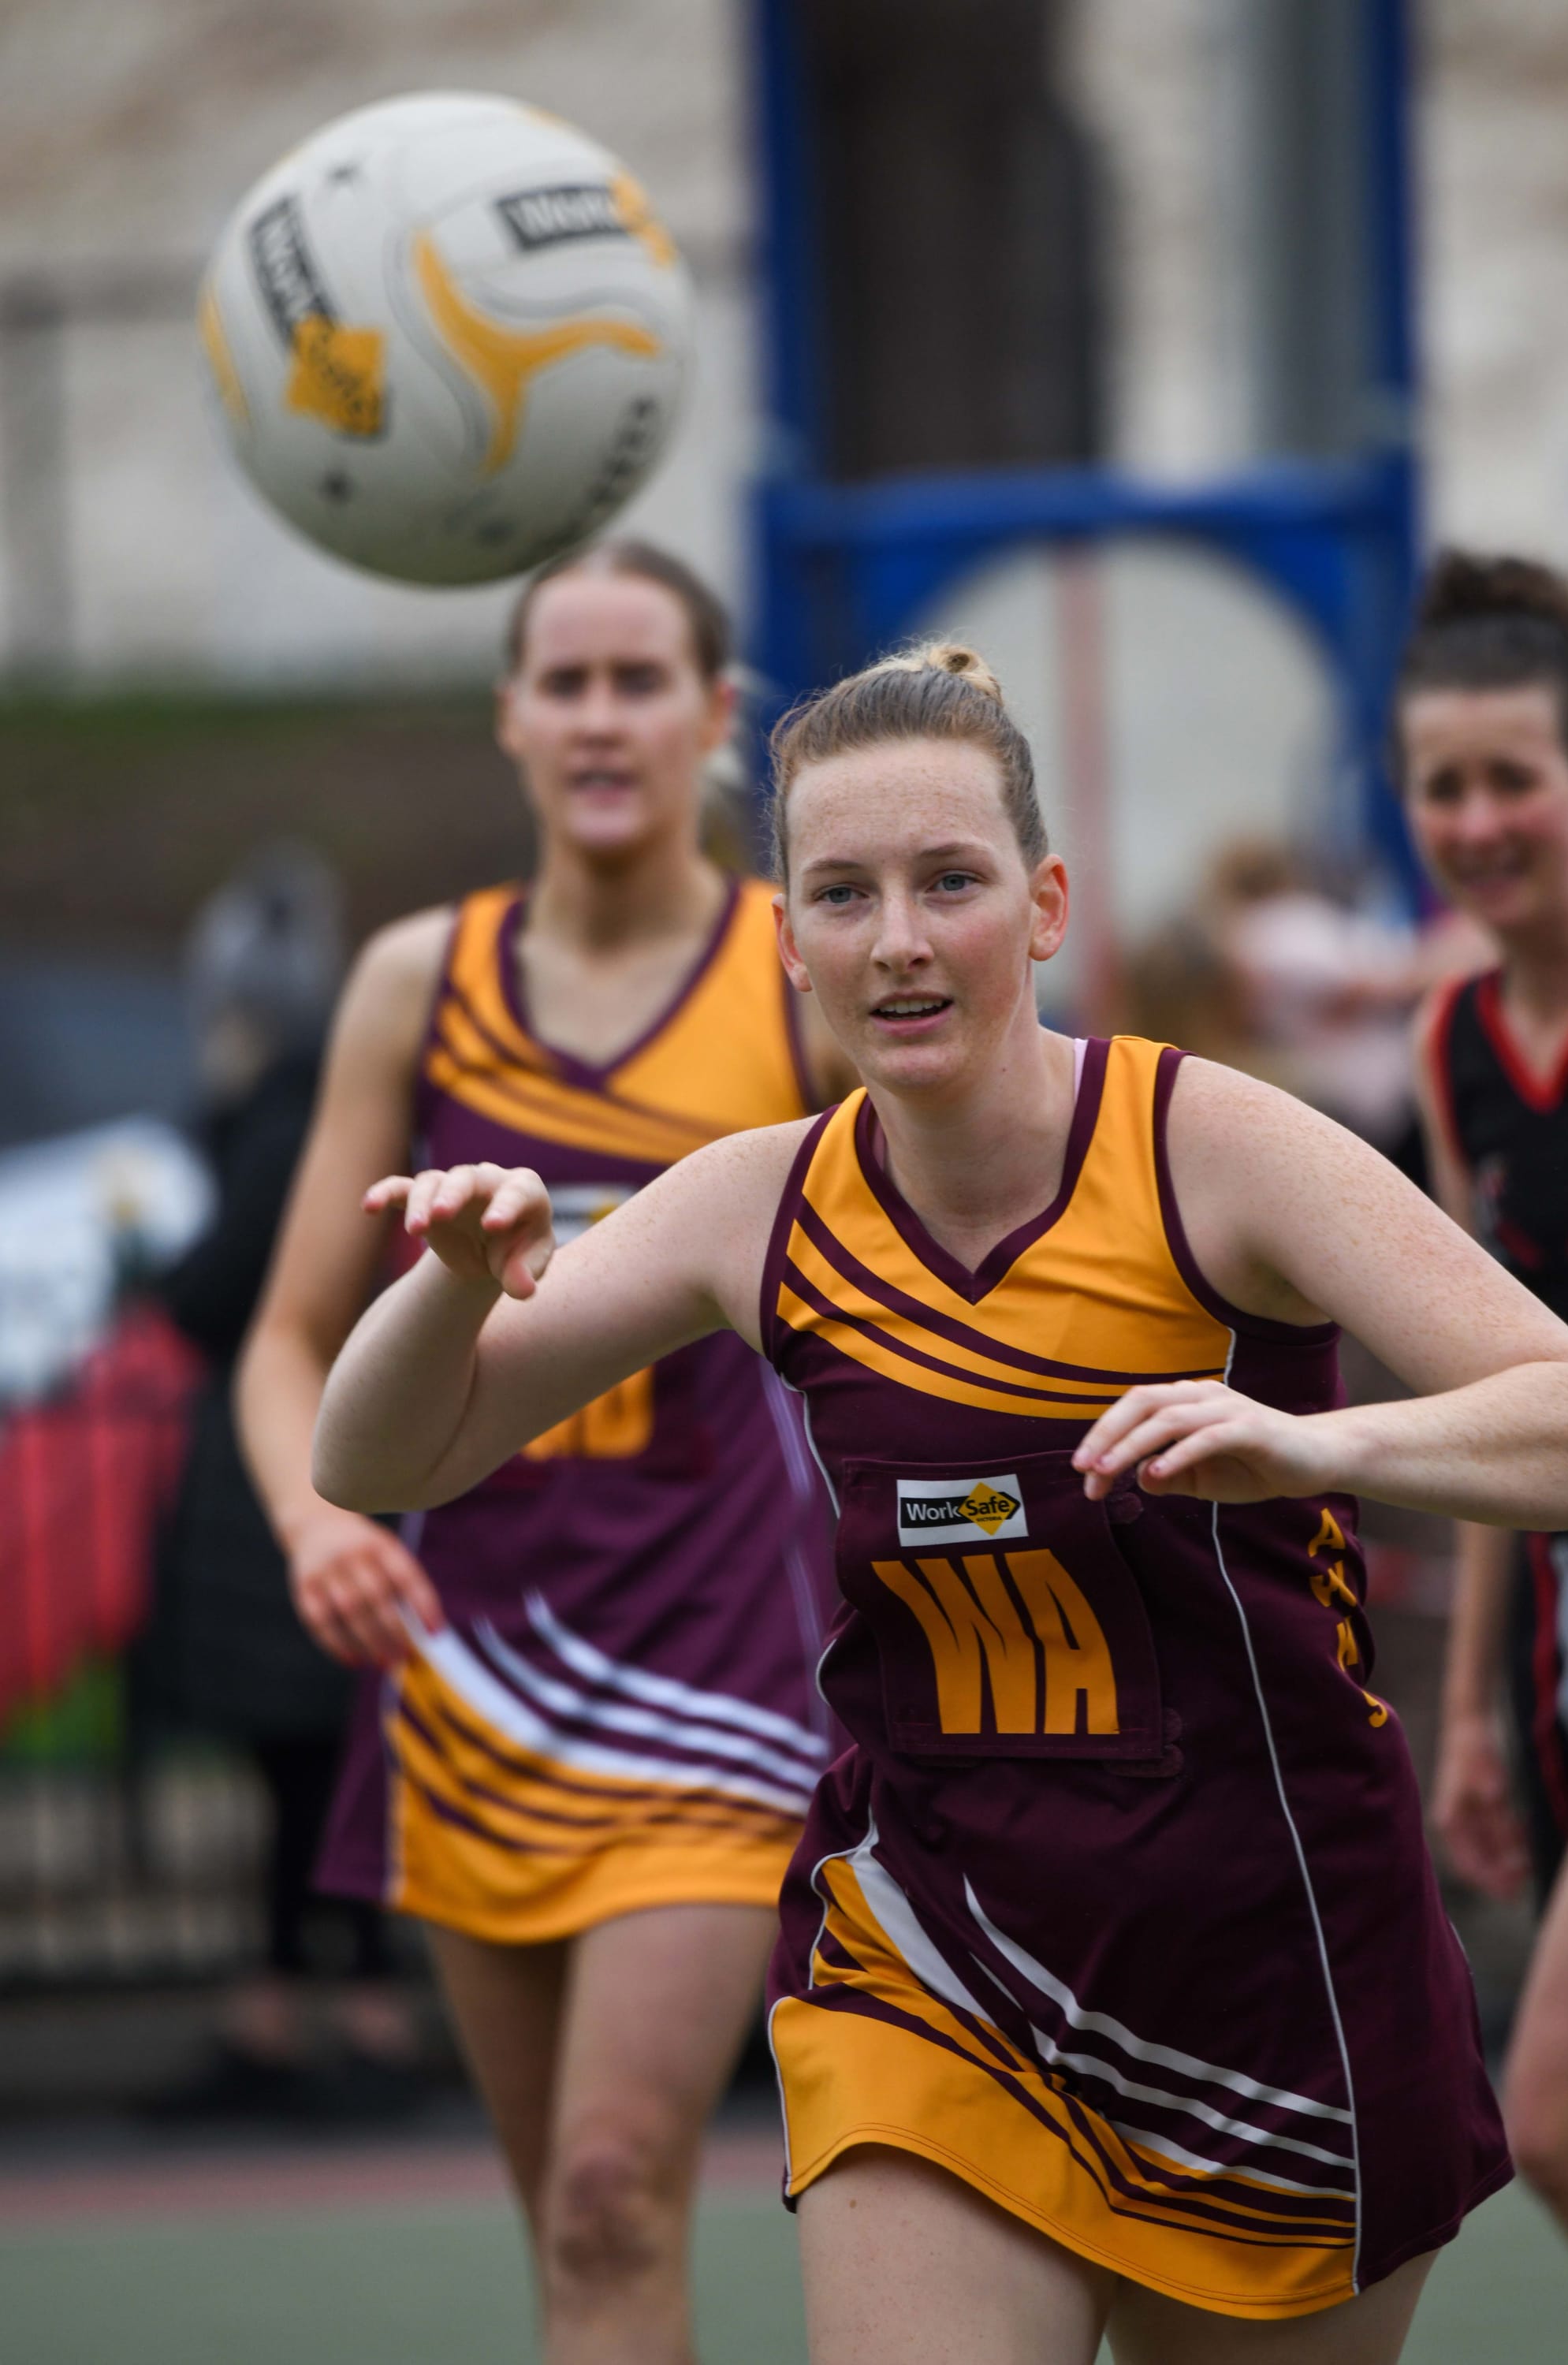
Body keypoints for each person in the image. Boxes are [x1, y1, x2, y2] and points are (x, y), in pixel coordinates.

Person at [307, 641, 1568, 2363]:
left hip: (1268, 1970)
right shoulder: (758, 1206)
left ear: (1044, 905)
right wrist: (452, 1277)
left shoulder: (1208, 1151)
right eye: (841, 893)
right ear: (788, 938)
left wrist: (1323, 1450)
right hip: (933, 1954)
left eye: (947, 883)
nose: (895, 940)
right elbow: (378, 1460)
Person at [237, 542, 847, 2362]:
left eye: (637, 678)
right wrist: (308, 1524)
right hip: (469, 1662)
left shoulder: (790, 967)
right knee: (568, 2239)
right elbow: (284, 1338)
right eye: (562, 680)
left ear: (714, 716)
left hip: (717, 1657)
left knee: (609, 2186)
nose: (599, 716)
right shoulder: (417, 978)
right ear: (510, 714)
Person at [136, 846, 417, 2120]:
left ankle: (343, 2013)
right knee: (321, 1756)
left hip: (278, 1486)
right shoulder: (319, 1107)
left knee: (314, 1756)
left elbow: (231, 1290)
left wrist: (157, 1267)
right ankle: (321, 2004)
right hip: (308, 1463)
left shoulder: (282, 1116)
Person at [1398, 549, 1568, 2243]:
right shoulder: (1453, 1041)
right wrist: (1463, 1708)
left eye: (1512, 776)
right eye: (1438, 785)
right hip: (1547, 1631)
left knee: (1557, 2118)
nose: (1474, 819)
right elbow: (1487, 1400)